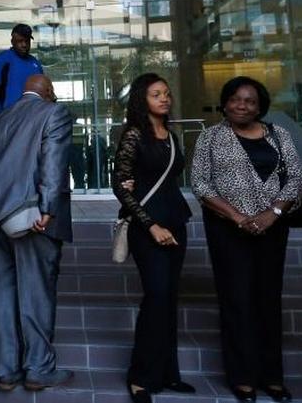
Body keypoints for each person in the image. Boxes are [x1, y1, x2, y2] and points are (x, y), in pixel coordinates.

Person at [190, 77, 302, 403]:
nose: (243, 106)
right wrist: (238, 216)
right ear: (225, 103)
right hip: (228, 230)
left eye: (250, 101)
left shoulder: (278, 134)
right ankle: (242, 377)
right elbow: (200, 183)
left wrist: (273, 214)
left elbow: (296, 177)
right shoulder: (210, 137)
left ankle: (272, 376)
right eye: (236, 100)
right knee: (237, 300)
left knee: (268, 300)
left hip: (273, 228)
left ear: (260, 106)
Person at [0, 74, 73, 392]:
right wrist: (48, 208)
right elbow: (53, 161)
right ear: (48, 91)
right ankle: (39, 368)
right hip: (30, 215)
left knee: (0, 293)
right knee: (36, 292)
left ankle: (5, 370)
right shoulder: (53, 112)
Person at [111, 73, 194, 403]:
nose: (165, 98)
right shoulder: (133, 135)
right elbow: (121, 184)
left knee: (170, 298)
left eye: (167, 93)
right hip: (149, 228)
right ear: (142, 100)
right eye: (156, 94)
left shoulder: (171, 136)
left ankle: (168, 374)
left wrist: (167, 225)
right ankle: (140, 377)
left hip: (177, 222)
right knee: (156, 297)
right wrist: (151, 226)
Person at [0, 23, 43, 119]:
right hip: (9, 117)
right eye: (20, 41)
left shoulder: (35, 63)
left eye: (27, 41)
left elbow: (43, 90)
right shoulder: (4, 59)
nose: (24, 44)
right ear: (12, 41)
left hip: (34, 118)